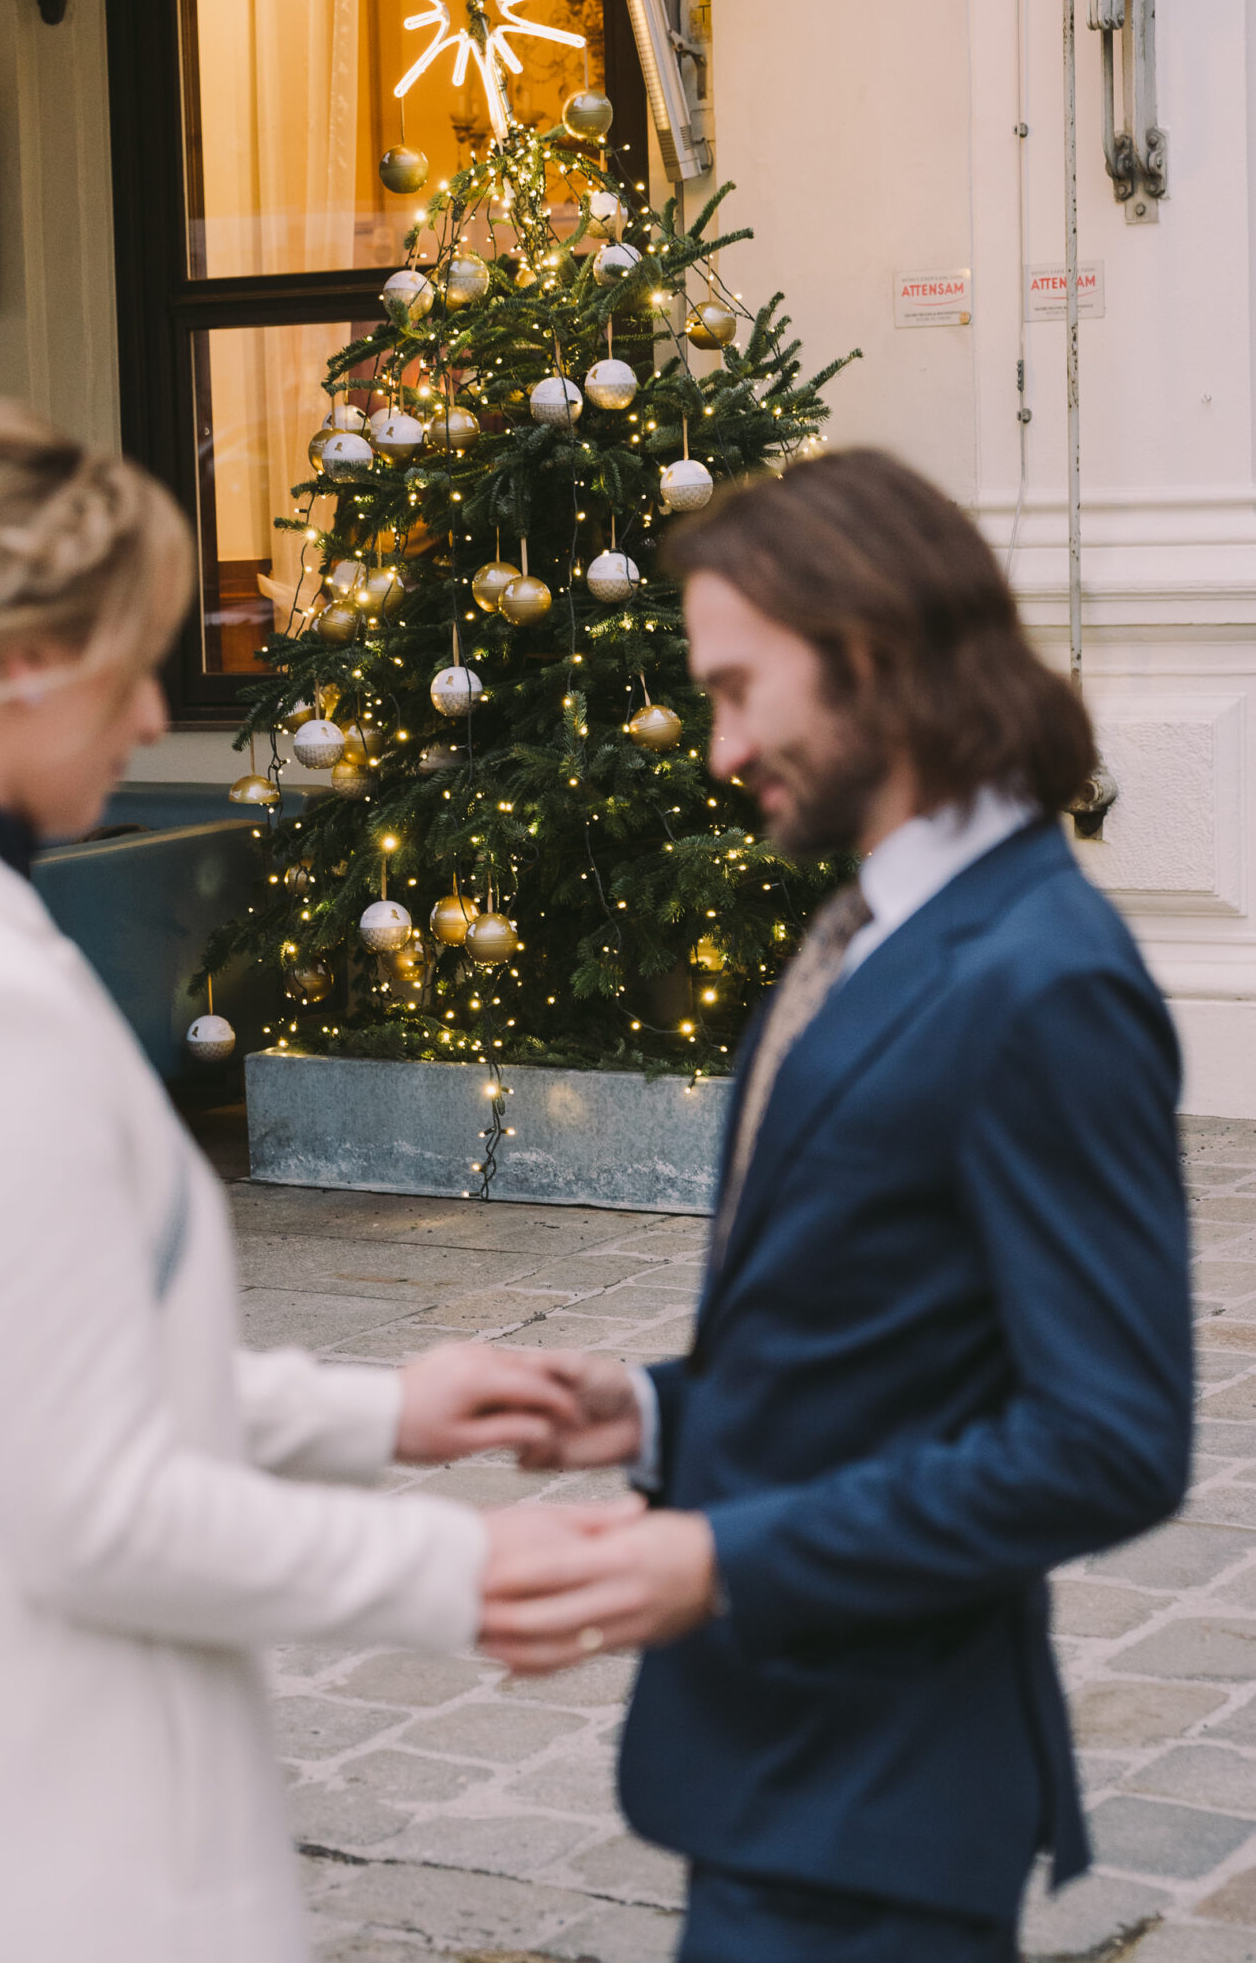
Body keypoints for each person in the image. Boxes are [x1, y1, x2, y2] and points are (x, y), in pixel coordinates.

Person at [0, 399, 630, 1963]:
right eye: (134, 659)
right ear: (24, 661)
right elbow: (92, 1510)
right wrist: (460, 1564)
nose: (151, 712)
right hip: (43, 1824)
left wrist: (378, 1415)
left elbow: (3, 1383)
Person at [479, 448, 1194, 1963]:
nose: (722, 747)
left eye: (741, 690)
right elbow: (879, 1348)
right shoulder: (873, 923)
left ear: (869, 657)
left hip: (881, 1814)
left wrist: (723, 1558)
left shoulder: (1043, 977)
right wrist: (654, 1417)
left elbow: (1110, 1442)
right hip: (783, 1786)